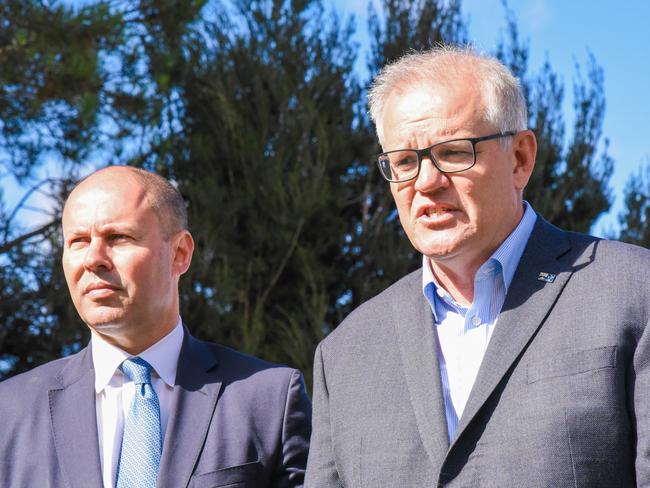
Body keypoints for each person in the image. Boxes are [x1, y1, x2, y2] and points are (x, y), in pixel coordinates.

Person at [305, 45, 650, 487]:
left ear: (521, 159)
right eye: (405, 162)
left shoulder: (632, 293)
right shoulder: (345, 355)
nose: (426, 182)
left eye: (452, 152)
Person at [0, 166, 311, 488]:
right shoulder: (10, 413)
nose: (93, 258)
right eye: (77, 241)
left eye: (118, 237)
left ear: (179, 253)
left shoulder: (266, 399)